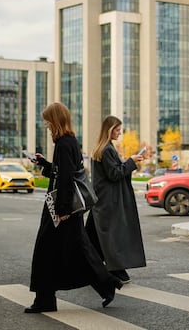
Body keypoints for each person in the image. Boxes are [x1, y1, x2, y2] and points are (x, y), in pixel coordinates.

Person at [26, 102, 123, 313]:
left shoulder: (63, 144)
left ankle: (45, 299)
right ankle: (106, 283)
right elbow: (62, 172)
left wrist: (63, 211)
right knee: (78, 250)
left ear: (55, 121)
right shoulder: (68, 142)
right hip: (67, 207)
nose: (47, 125)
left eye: (48, 121)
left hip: (63, 208)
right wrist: (45, 164)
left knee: (46, 252)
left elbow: (66, 179)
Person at [85, 115, 146, 284]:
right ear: (109, 130)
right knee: (110, 237)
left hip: (102, 201)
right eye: (117, 130)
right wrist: (131, 162)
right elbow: (115, 174)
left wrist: (128, 162)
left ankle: (91, 270)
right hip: (109, 202)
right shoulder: (107, 150)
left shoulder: (103, 148)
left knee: (93, 239)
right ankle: (117, 271)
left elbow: (113, 170)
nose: (120, 133)